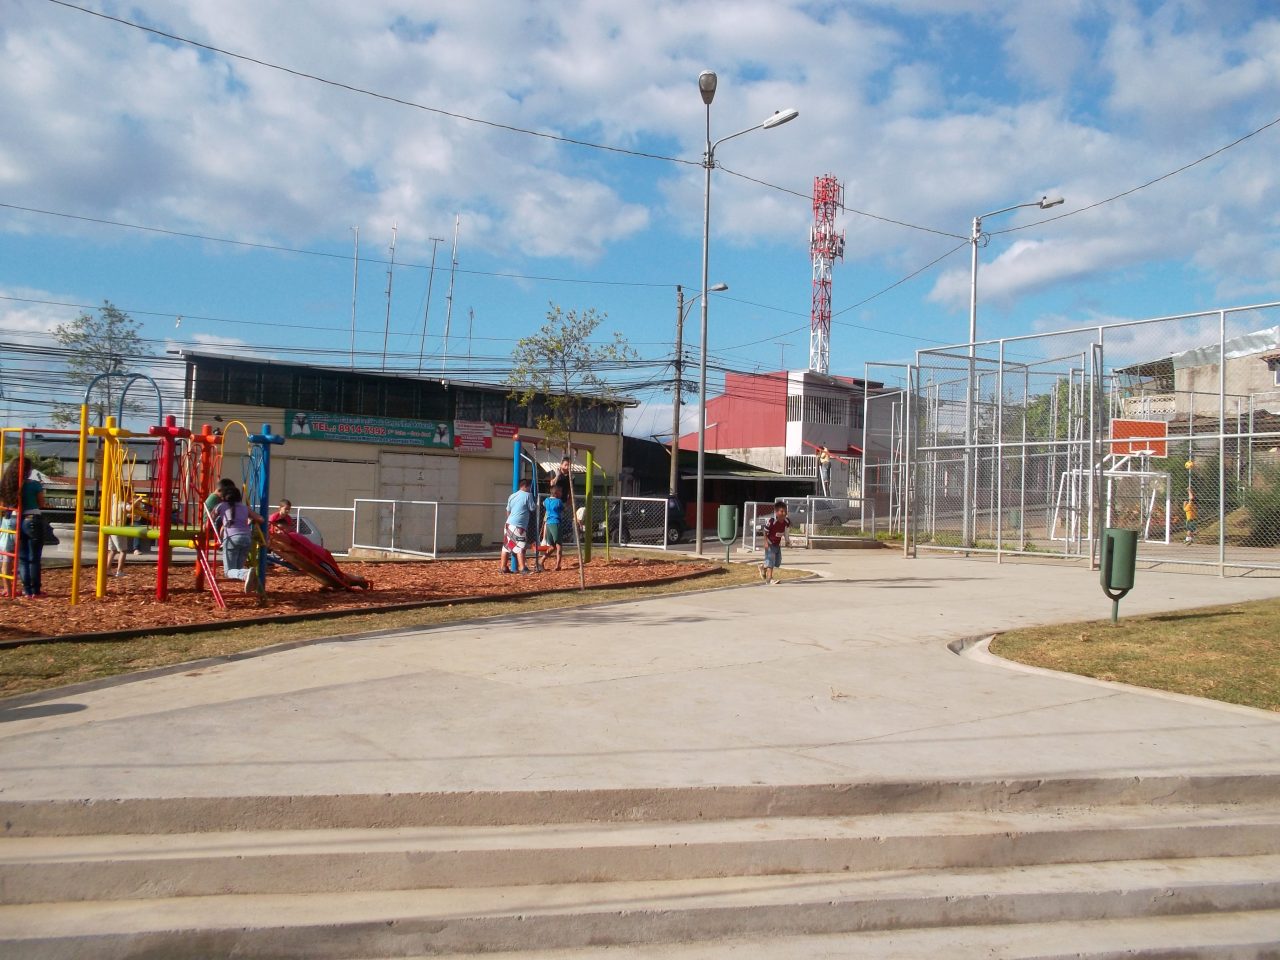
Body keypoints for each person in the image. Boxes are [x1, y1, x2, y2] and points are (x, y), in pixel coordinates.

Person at [0, 456, 47, 598]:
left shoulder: (9, 485)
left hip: (16, 520)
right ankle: (35, 591)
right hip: (32, 518)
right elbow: (41, 503)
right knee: (34, 557)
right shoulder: (33, 484)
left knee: (23, 557)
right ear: (28, 470)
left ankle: (27, 590)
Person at [214, 482, 265, 592]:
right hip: (246, 539)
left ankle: (247, 574)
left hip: (231, 539)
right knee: (237, 570)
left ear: (224, 497)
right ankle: (247, 574)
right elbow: (261, 519)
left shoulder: (221, 506)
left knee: (229, 572)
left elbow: (210, 516)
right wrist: (251, 519)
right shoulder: (245, 508)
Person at [500, 478, 536, 574]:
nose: (530, 489)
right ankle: (522, 568)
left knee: (506, 546)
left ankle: (503, 567)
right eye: (529, 487)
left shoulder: (512, 496)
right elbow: (532, 508)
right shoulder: (528, 495)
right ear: (526, 486)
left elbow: (508, 510)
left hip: (508, 524)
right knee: (521, 546)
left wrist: (510, 521)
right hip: (519, 525)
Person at [758, 501, 791, 585]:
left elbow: (786, 531)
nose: (784, 513)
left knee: (777, 563)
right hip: (770, 543)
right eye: (781, 511)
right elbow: (765, 532)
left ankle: (763, 567)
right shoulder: (772, 521)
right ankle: (769, 580)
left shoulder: (786, 521)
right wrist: (765, 542)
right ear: (776, 512)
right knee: (771, 561)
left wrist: (787, 541)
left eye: (785, 511)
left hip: (777, 544)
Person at [541, 483, 565, 571]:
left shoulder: (546, 500)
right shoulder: (558, 501)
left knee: (552, 546)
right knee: (559, 545)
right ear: (557, 493)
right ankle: (558, 565)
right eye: (560, 492)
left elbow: (543, 503)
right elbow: (563, 509)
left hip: (548, 524)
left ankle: (541, 561)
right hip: (556, 523)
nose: (562, 493)